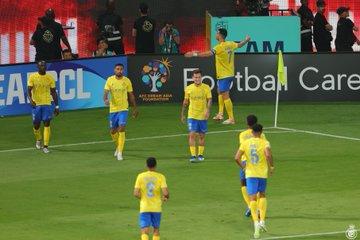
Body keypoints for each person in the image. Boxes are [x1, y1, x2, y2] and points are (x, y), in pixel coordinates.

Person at [185, 28, 251, 125]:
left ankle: (231, 118)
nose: (216, 34)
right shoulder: (230, 44)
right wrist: (246, 40)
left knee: (225, 95)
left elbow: (208, 54)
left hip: (224, 75)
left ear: (220, 35)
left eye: (217, 33)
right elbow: (240, 45)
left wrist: (194, 54)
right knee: (220, 91)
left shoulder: (219, 47)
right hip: (228, 73)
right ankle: (220, 114)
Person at [235, 124, 274, 239]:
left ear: (252, 132)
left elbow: (236, 157)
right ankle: (262, 221)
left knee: (252, 198)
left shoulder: (245, 142)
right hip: (262, 174)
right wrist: (271, 166)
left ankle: (256, 224)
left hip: (251, 174)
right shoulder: (265, 142)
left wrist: (243, 167)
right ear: (261, 132)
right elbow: (268, 155)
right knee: (262, 195)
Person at [103, 63, 138, 161]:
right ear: (114, 70)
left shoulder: (127, 81)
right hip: (113, 109)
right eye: (118, 69)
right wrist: (105, 99)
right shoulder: (110, 80)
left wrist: (135, 108)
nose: (119, 71)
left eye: (121, 69)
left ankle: (120, 152)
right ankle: (118, 147)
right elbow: (106, 92)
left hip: (123, 108)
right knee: (113, 131)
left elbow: (131, 95)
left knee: (121, 128)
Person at [236, 115, 267, 217]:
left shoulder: (243, 135)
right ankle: (258, 208)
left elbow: (243, 147)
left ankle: (250, 206)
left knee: (244, 184)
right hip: (260, 164)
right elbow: (265, 148)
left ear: (247, 123)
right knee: (259, 188)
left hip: (246, 162)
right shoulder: (262, 135)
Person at [27, 61, 59, 154]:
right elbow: (28, 90)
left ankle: (45, 146)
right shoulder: (32, 77)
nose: (43, 67)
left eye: (44, 65)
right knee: (36, 125)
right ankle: (38, 139)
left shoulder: (50, 78)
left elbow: (53, 92)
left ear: (46, 66)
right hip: (36, 104)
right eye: (41, 65)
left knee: (47, 123)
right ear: (37, 66)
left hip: (47, 104)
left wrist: (56, 106)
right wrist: (31, 100)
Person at [134, 157, 169, 240]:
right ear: (155, 165)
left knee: (144, 230)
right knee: (156, 229)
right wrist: (166, 197)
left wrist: (142, 198)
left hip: (144, 207)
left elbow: (135, 193)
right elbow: (165, 193)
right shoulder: (161, 176)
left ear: (146, 165)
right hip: (156, 208)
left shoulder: (140, 176)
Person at [181, 69, 212, 163]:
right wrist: (182, 114)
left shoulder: (206, 87)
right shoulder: (188, 88)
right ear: (192, 78)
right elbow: (185, 102)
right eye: (195, 77)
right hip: (192, 115)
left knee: (202, 136)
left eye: (199, 77)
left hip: (202, 116)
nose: (197, 79)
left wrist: (208, 110)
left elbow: (210, 99)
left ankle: (200, 154)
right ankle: (193, 155)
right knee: (192, 135)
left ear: (201, 77)